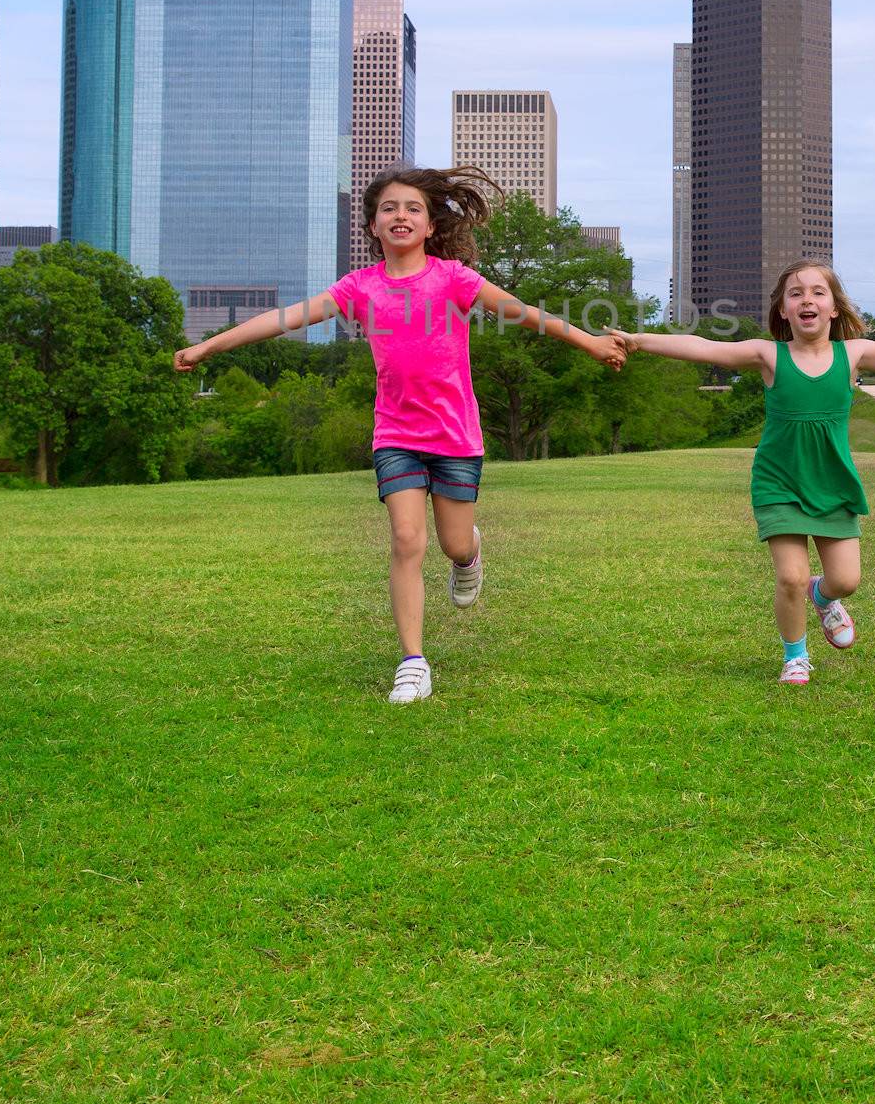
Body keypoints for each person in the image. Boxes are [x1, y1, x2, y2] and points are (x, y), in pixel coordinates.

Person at [175, 166, 626, 704]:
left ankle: (468, 556)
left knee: (452, 541)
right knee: (408, 540)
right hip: (396, 434)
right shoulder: (359, 288)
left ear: (431, 225)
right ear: (373, 225)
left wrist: (590, 343)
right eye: (388, 208)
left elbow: (527, 316)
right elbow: (283, 320)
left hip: (456, 434)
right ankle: (413, 662)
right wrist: (209, 346)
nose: (401, 216)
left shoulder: (453, 278)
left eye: (413, 208)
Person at [616, 263, 875, 685]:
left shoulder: (854, 354)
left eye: (818, 293)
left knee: (845, 581)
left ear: (834, 309)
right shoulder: (769, 355)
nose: (807, 299)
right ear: (784, 311)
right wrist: (638, 340)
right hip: (779, 481)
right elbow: (702, 346)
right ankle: (796, 656)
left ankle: (822, 598)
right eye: (795, 293)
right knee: (790, 576)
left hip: (833, 482)